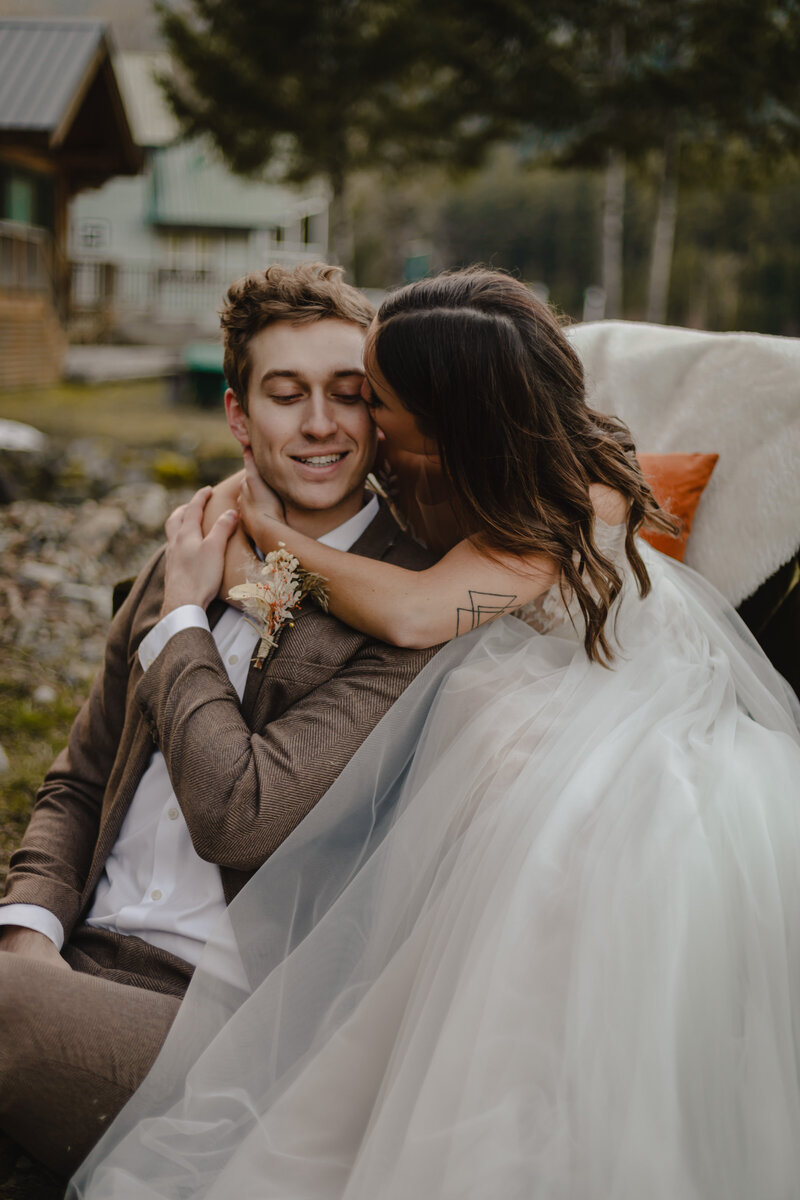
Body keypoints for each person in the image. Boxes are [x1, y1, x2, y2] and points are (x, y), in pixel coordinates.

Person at [70, 269, 800, 1199]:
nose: (357, 426)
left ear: (446, 421)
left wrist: (267, 526)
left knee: (550, 907)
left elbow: (415, 612)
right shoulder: (448, 477)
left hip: (613, 734)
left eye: (374, 400)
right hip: (513, 710)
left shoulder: (564, 500)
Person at [0, 263, 442, 1180]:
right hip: (70, 959)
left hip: (229, 1016)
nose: (320, 423)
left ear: (377, 413)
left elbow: (237, 813)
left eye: (347, 395)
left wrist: (180, 622)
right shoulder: (192, 541)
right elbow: (79, 782)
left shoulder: (414, 607)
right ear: (239, 416)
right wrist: (29, 938)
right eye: (287, 395)